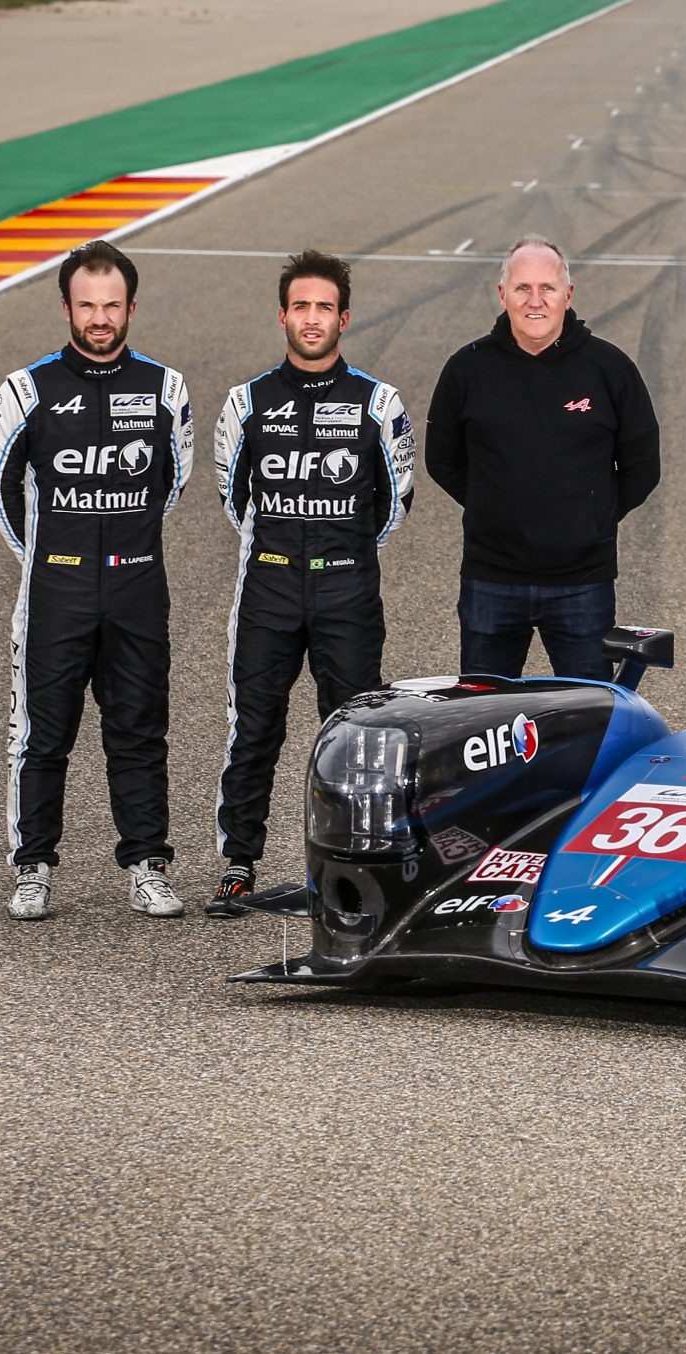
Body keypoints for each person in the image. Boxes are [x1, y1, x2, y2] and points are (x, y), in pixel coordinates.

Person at [0, 239, 194, 921]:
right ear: (67, 307)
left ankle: (147, 865)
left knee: (139, 731)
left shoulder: (166, 387)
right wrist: (47, 556)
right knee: (43, 734)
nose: (99, 319)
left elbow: (174, 481)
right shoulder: (25, 390)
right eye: (86, 306)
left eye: (111, 306)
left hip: (136, 587)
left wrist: (124, 543)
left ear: (131, 307)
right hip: (55, 592)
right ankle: (33, 866)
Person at [206, 249, 415, 915]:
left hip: (347, 587)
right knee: (253, 729)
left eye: (325, 307)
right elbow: (232, 498)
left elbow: (395, 502)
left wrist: (336, 549)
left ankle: (351, 871)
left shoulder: (379, 403)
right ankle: (238, 864)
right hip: (267, 587)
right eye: (301, 306)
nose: (312, 318)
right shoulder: (246, 402)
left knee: (354, 735)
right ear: (283, 316)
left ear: (344, 318)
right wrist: (285, 548)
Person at [425, 235, 660, 680]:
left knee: (588, 719)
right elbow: (443, 460)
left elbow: (642, 465)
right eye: (522, 288)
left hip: (582, 584)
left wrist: (591, 517)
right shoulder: (466, 369)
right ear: (502, 294)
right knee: (483, 721)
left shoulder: (610, 369)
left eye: (547, 288)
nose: (535, 301)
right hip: (490, 579)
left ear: (568, 294)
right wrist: (492, 507)